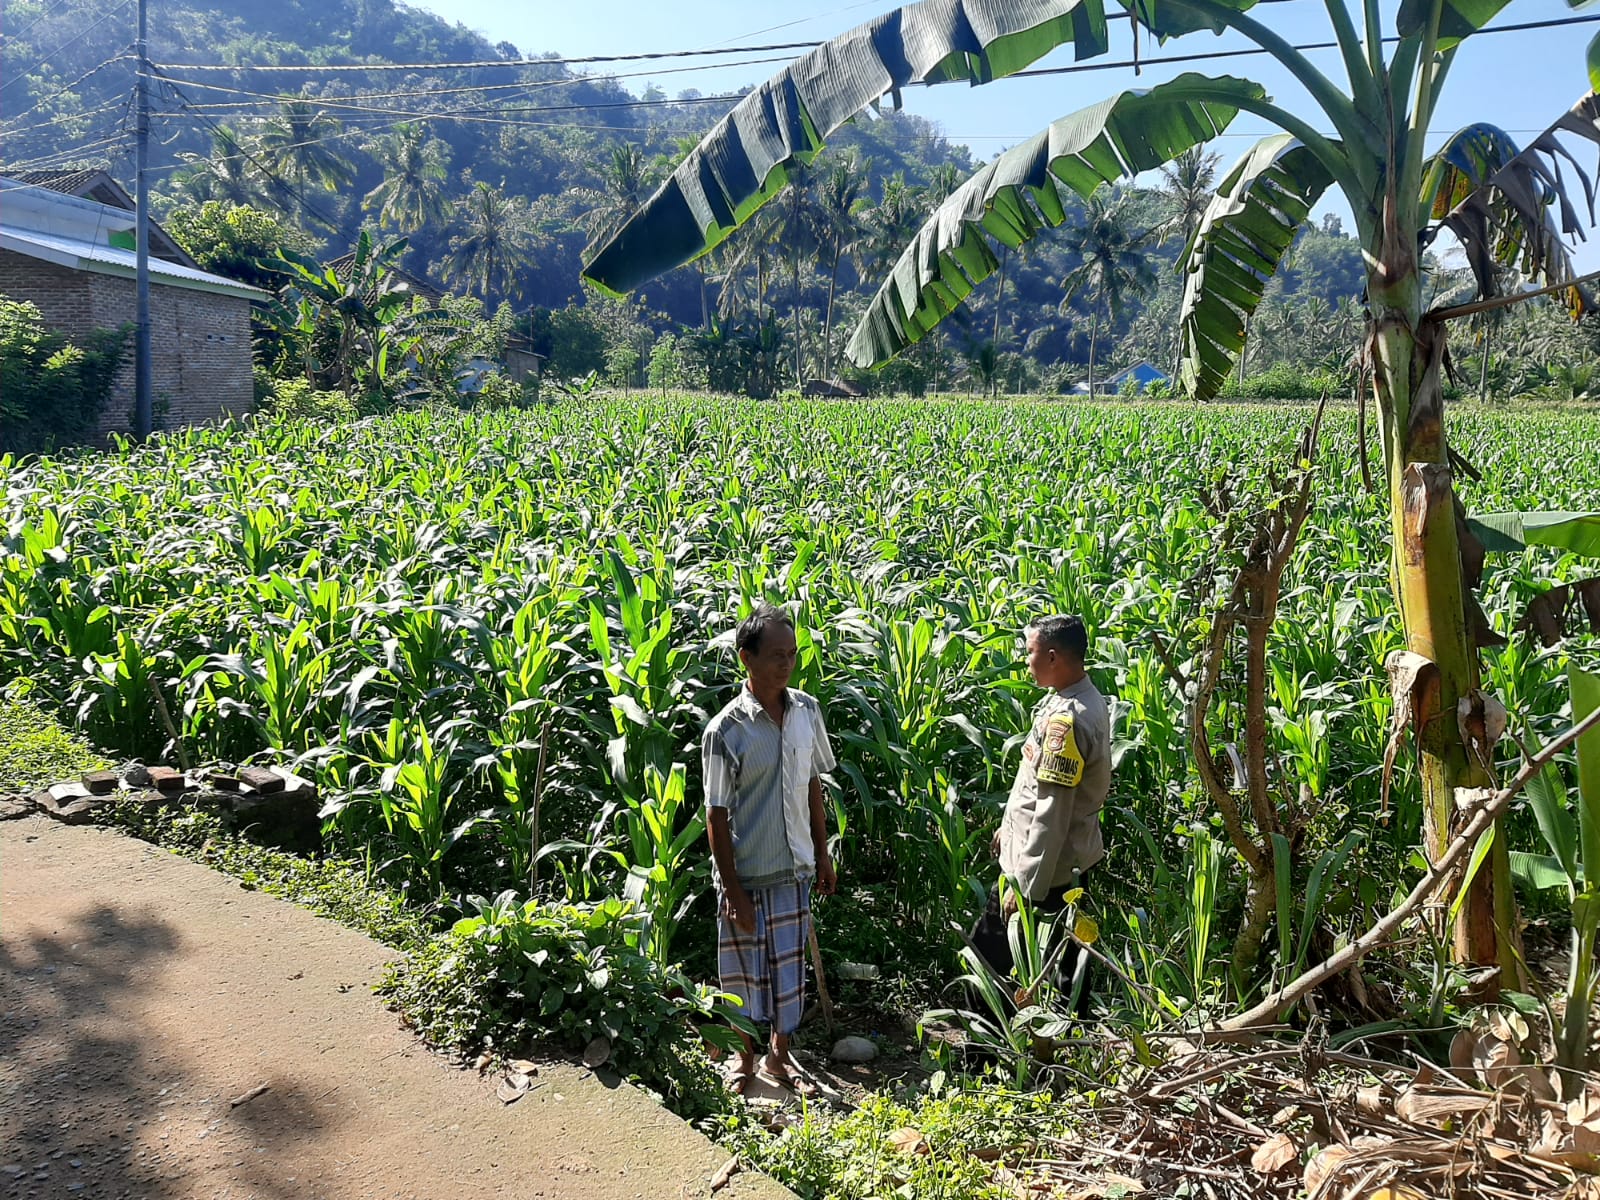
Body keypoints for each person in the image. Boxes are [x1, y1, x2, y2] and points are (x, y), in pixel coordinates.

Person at [703, 602, 837, 1096]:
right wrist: (732, 890)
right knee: (741, 977)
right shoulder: (726, 730)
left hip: (795, 868)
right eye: (777, 655)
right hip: (748, 872)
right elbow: (716, 814)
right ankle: (742, 1058)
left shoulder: (806, 711)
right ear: (746, 658)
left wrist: (822, 855)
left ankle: (779, 1058)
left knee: (787, 973)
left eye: (793, 654)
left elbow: (811, 786)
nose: (787, 664)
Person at [972, 613, 1111, 1016]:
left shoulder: (1066, 721)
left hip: (1045, 871)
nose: (1025, 660)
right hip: (1065, 863)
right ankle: (1071, 1051)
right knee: (1068, 964)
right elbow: (1035, 786)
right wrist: (1007, 827)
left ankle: (982, 1053)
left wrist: (1023, 884)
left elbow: (1053, 811)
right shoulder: (1074, 698)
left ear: (1053, 657)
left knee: (990, 958)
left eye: (1030, 652)